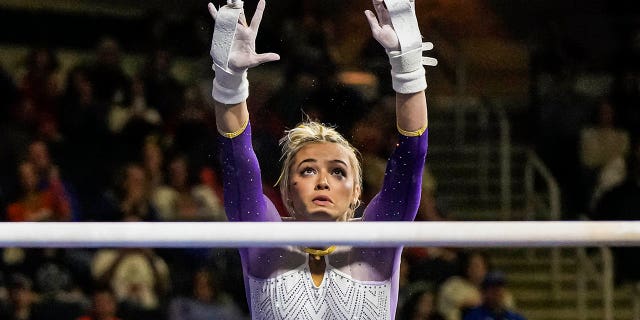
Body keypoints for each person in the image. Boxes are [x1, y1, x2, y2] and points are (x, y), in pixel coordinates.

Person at [208, 0, 436, 318]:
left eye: (338, 172)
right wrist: (229, 82)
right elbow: (238, 163)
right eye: (308, 170)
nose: (323, 181)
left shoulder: (375, 243)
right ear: (286, 191)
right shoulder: (266, 243)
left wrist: (409, 66)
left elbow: (410, 159)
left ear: (357, 192)